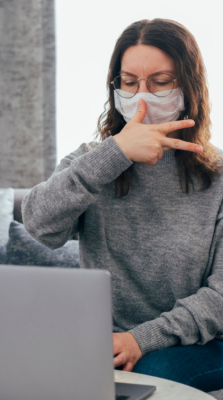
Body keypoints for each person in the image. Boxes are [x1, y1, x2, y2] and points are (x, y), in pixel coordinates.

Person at [21, 18, 223, 395]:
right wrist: (114, 155)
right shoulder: (93, 161)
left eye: (160, 82)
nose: (142, 96)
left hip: (202, 341)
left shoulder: (219, 179)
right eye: (129, 83)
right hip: (107, 342)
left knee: (152, 369)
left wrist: (140, 339)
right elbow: (39, 225)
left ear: (188, 86)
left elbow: (221, 296)